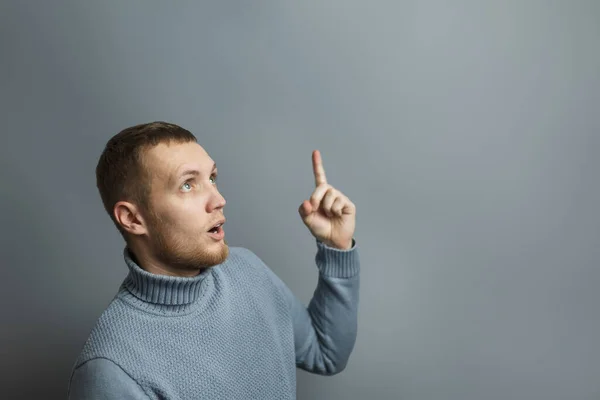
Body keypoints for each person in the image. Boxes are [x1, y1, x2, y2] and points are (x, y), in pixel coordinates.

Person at [67, 122, 360, 399]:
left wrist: (337, 247)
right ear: (132, 218)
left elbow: (326, 352)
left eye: (212, 178)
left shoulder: (247, 269)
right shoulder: (112, 369)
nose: (218, 199)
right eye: (187, 185)